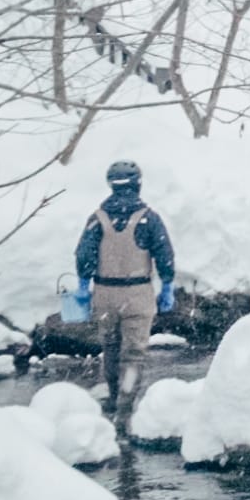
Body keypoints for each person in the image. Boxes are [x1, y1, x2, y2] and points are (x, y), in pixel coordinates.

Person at [72, 160, 176, 423]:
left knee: (111, 348)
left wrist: (83, 287)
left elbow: (84, 255)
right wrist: (167, 286)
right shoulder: (149, 219)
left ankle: (113, 397)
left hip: (105, 293)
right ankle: (125, 408)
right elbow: (164, 256)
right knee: (134, 354)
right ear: (137, 184)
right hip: (138, 294)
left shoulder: (97, 219)